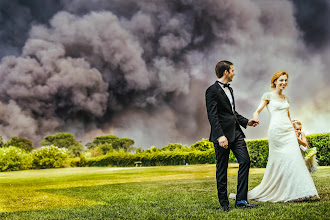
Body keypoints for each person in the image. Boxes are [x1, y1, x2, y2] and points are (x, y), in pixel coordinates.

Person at [241, 70, 319, 202]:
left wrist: (293, 131)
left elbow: (288, 116)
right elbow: (258, 110)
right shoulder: (268, 95)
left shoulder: (285, 98)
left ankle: (304, 191)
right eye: (281, 80)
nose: (284, 82)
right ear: (275, 81)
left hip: (288, 131)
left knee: (295, 160)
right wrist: (255, 117)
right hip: (276, 132)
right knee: (280, 161)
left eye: (285, 80)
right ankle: (281, 190)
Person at [205, 60, 259, 212]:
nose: (234, 73)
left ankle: (241, 200)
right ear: (225, 72)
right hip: (222, 136)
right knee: (222, 169)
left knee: (245, 161)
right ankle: (224, 204)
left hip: (236, 133)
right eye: (233, 70)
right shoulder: (212, 90)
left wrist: (247, 121)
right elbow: (213, 116)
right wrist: (220, 136)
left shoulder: (231, 90)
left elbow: (232, 113)